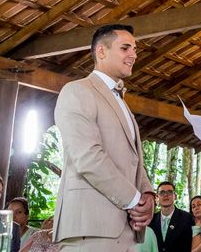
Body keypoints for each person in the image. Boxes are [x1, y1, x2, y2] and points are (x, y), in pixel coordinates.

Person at [54, 24, 155, 252]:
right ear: (101, 52)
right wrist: (134, 201)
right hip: (90, 227)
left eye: (135, 49)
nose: (134, 55)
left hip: (126, 230)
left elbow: (133, 159)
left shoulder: (123, 103)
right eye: (125, 48)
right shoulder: (77, 91)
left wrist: (148, 195)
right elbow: (88, 157)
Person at [150, 182, 193, 252]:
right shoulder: (151, 219)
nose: (165, 195)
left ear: (175, 196)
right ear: (157, 197)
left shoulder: (187, 218)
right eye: (162, 192)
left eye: (169, 192)